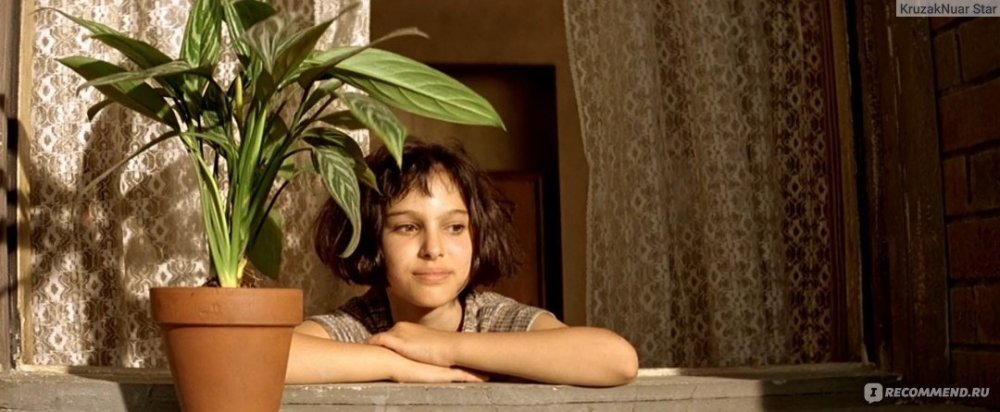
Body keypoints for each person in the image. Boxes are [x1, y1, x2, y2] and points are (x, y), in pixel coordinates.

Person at [285, 140, 638, 386]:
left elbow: (615, 360)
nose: (433, 249)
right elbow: (270, 359)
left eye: (454, 227)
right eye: (408, 227)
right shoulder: (362, 326)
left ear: (478, 234)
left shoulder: (495, 318)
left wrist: (442, 347)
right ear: (372, 237)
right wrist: (395, 363)